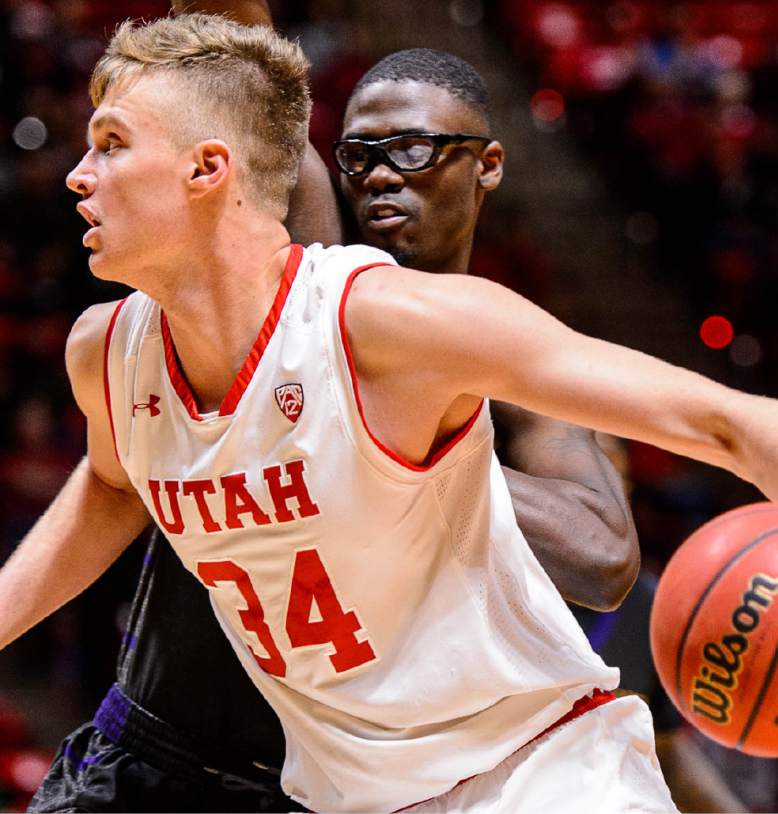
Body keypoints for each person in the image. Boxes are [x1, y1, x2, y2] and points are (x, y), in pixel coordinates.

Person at [3, 12, 778, 813]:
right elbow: (114, 485)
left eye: (112, 144)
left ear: (209, 170)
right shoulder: (110, 354)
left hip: (536, 772)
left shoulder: (390, 328)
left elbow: (720, 420)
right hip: (343, 794)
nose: (78, 173)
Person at [28, 5, 641, 814]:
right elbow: (231, 30)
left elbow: (603, 559)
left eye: (416, 150)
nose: (382, 173)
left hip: (337, 793)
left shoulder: (505, 362)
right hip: (158, 741)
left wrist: (402, 451)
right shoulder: (302, 260)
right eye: (359, 155)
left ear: (488, 166)